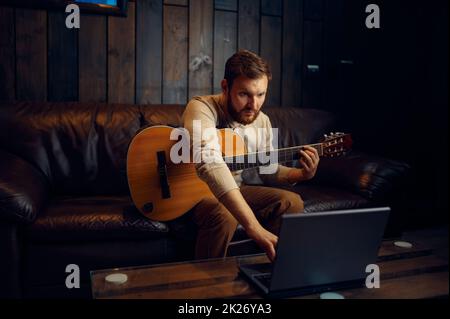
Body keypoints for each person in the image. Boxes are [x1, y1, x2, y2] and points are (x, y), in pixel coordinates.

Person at [182, 50, 319, 262]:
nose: (253, 106)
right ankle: (206, 286)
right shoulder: (201, 107)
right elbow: (209, 162)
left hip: (237, 189)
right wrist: (254, 227)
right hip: (194, 192)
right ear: (225, 87)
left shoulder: (261, 120)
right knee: (224, 214)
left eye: (261, 95)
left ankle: (267, 273)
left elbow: (268, 170)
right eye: (244, 94)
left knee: (292, 202)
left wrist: (301, 174)